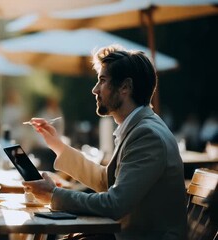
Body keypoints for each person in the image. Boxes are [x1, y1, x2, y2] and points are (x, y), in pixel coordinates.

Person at [23, 45, 187, 239]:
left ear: (125, 87)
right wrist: (57, 145)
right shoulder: (139, 127)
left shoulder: (147, 135)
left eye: (102, 81)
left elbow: (114, 204)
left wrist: (54, 194)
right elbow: (108, 181)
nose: (94, 90)